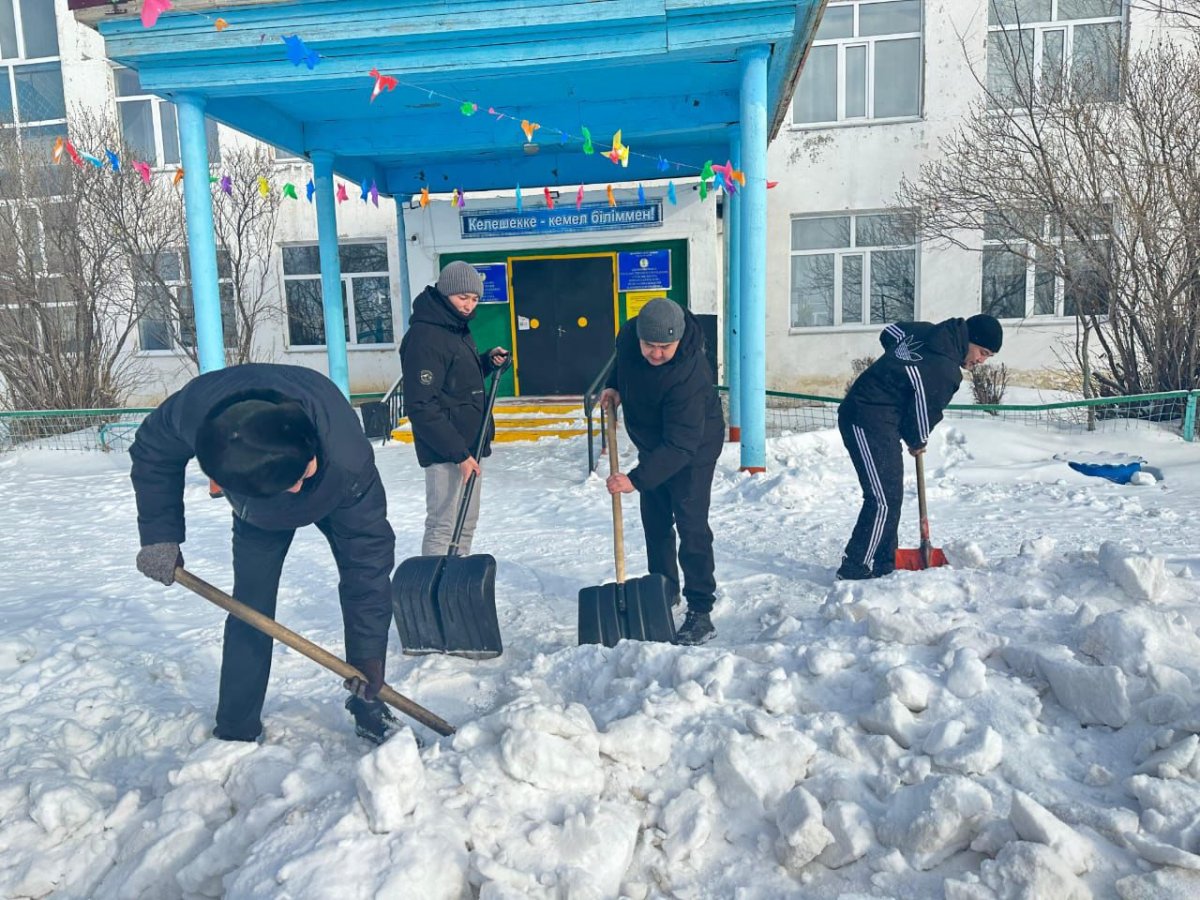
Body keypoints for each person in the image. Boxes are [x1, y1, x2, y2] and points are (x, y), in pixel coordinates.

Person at [129, 364, 398, 744]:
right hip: (258, 515)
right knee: (250, 609)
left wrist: (368, 657)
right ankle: (237, 727)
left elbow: (366, 568)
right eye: (284, 487)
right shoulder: (197, 412)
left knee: (364, 589)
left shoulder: (347, 459)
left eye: (301, 476)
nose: (295, 491)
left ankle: (368, 706)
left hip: (339, 494)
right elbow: (152, 451)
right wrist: (159, 535)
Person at [836, 314, 1003, 580]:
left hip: (884, 420)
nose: (981, 361)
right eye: (982, 352)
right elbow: (923, 416)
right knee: (882, 500)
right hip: (864, 416)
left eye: (988, 357)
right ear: (969, 340)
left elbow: (890, 332)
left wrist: (899, 362)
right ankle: (855, 567)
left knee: (891, 495)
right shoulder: (945, 371)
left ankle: (884, 561)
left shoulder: (927, 332)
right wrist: (917, 440)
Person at [600, 297, 725, 646]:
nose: (655, 354)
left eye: (663, 347)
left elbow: (682, 445)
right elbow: (623, 363)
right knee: (655, 521)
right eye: (649, 346)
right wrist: (613, 384)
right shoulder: (628, 337)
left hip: (693, 448)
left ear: (678, 339)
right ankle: (664, 588)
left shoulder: (690, 375)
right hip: (654, 442)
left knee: (691, 523)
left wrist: (636, 479)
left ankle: (701, 609)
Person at [400, 261, 508, 556]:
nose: (469, 305)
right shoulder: (426, 336)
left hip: (468, 446)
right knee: (443, 525)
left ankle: (455, 586)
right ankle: (434, 592)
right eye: (463, 297)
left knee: (467, 523)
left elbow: (454, 381)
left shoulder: (455, 329)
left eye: (474, 299)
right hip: (446, 451)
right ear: (446, 292)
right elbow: (421, 404)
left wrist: (487, 361)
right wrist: (458, 454)